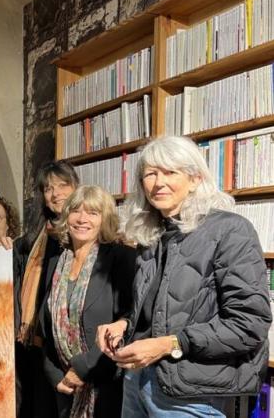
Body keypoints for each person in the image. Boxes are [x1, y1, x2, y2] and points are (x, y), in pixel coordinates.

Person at [97, 136, 272, 417]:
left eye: (170, 172)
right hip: (138, 379)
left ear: (195, 179)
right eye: (150, 174)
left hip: (192, 392)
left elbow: (250, 323)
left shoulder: (230, 230)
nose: (158, 182)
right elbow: (164, 311)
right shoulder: (152, 235)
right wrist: (124, 324)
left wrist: (169, 344)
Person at [40, 185, 135, 417]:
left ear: (105, 220)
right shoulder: (55, 261)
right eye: (76, 211)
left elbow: (129, 322)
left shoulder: (121, 258)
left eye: (92, 213)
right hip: (65, 386)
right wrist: (57, 378)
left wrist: (80, 370)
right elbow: (46, 328)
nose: (82, 219)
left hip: (105, 387)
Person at [15, 160, 79, 417]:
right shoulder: (34, 237)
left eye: (63, 186)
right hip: (33, 343)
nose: (56, 194)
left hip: (64, 344)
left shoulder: (83, 235)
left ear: (76, 188)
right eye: (49, 189)